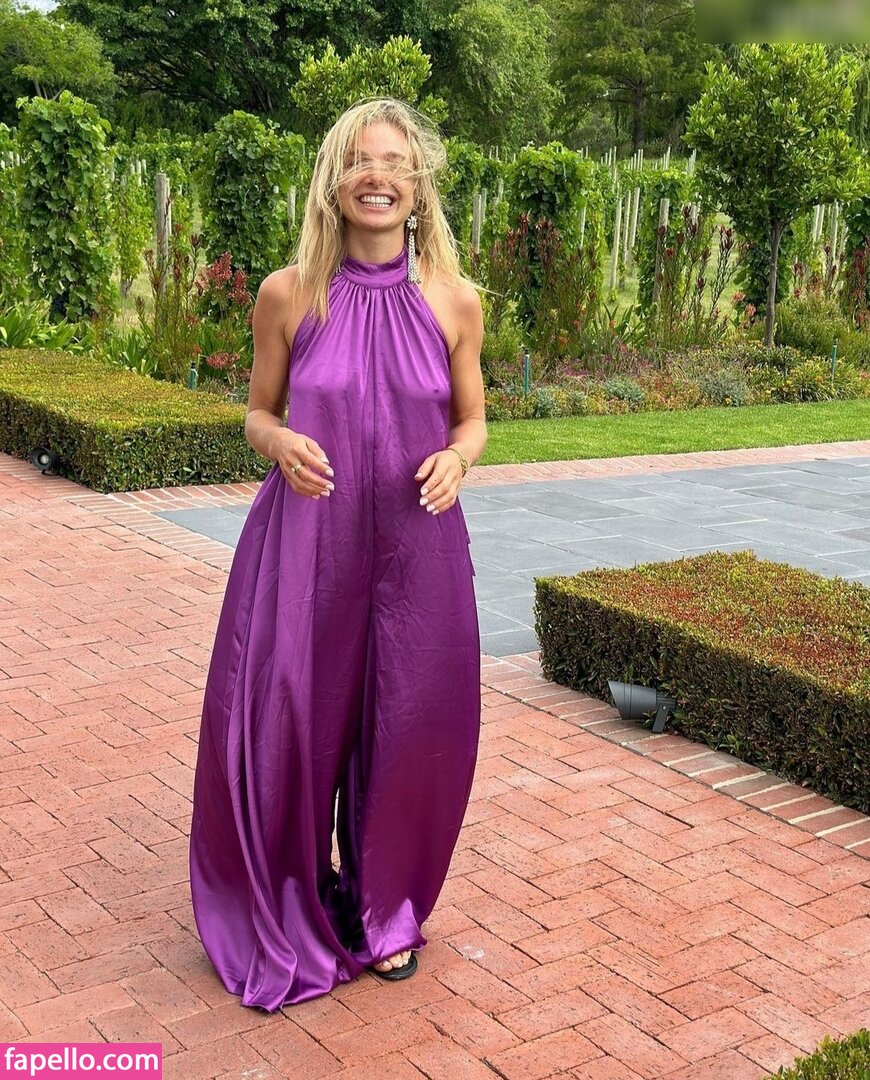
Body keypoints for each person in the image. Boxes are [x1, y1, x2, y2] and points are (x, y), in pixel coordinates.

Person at [188, 96, 487, 1011]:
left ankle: (385, 909)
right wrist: (278, 442)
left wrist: (459, 458)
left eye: (394, 162)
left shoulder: (453, 300)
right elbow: (258, 413)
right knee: (293, 720)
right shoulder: (288, 294)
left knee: (410, 720)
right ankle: (291, 892)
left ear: (418, 186)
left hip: (416, 547)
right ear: (333, 181)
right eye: (360, 160)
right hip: (307, 545)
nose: (377, 176)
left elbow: (474, 420)